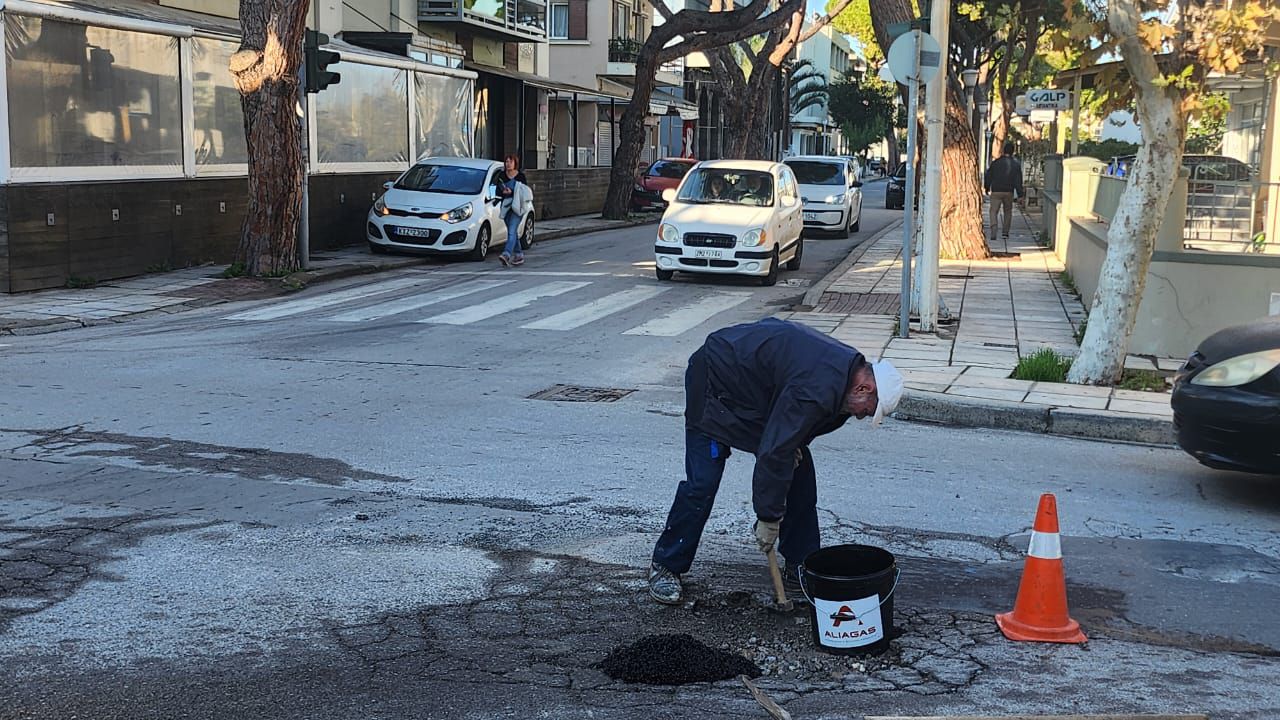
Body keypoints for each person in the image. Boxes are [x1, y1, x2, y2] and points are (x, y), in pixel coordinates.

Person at [647, 318, 904, 605]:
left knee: (799, 476)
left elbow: (794, 430)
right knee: (703, 481)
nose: (864, 416)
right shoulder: (817, 388)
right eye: (869, 410)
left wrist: (795, 443)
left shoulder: (844, 380)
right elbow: (775, 452)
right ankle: (666, 565)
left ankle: (799, 569)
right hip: (715, 379)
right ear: (865, 389)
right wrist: (768, 518)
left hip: (755, 393)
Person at [983, 142, 1024, 243]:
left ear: (1003, 150)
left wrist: (987, 187)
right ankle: (1005, 232)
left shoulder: (996, 163)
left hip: (996, 190)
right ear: (1013, 151)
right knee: (1007, 212)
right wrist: (1020, 194)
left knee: (993, 211)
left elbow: (989, 175)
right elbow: (1018, 181)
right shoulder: (1016, 165)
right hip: (1009, 191)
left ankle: (994, 228)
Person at [497, 154, 533, 267]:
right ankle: (519, 255)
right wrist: (502, 192)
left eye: (510, 162)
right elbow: (497, 191)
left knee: (512, 231)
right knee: (512, 232)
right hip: (506, 207)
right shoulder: (501, 175)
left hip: (518, 207)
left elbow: (524, 192)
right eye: (506, 162)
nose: (508, 164)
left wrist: (512, 192)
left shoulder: (520, 176)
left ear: (515, 163)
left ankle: (506, 254)